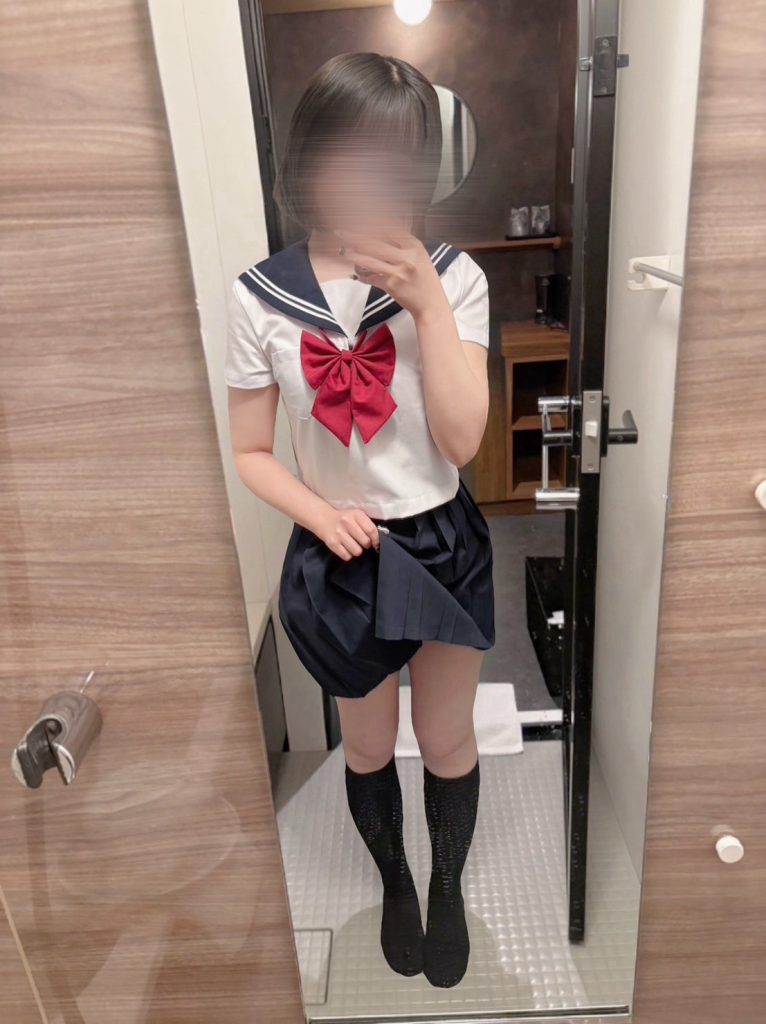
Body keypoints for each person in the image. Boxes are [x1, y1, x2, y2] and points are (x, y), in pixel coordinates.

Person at [225, 51, 495, 989]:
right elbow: (250, 450)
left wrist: (425, 304)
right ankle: (396, 884)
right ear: (310, 158)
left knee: (448, 739)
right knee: (371, 743)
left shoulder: (456, 277)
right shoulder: (259, 295)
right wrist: (319, 513)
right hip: (341, 554)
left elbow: (462, 442)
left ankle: (447, 886)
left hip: (442, 542)